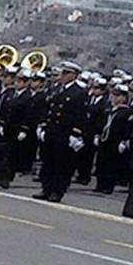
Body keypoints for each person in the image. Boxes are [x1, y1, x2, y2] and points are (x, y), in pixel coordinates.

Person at [34, 61, 87, 202]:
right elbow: (49, 109)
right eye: (62, 73)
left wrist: (76, 135)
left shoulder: (79, 92)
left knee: (62, 165)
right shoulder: (57, 89)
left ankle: (57, 191)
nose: (62, 76)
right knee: (48, 162)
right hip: (52, 131)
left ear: (74, 75)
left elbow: (80, 115)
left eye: (65, 73)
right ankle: (46, 188)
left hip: (65, 134)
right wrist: (43, 127)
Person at [95, 85, 133, 194]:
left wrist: (124, 140)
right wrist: (98, 135)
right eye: (114, 95)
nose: (114, 98)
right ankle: (100, 184)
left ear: (124, 98)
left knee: (112, 163)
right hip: (105, 138)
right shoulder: (109, 109)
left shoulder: (127, 112)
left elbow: (128, 128)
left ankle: (108, 186)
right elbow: (102, 123)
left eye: (118, 95)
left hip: (115, 140)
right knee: (101, 161)